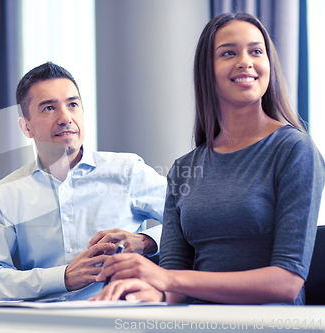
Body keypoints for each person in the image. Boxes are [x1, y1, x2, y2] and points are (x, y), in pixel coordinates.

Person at [91, 12, 325, 305]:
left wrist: (165, 279)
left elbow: (287, 281)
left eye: (256, 51)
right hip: (195, 322)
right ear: (207, 70)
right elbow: (174, 280)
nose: (245, 61)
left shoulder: (294, 150)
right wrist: (141, 292)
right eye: (229, 53)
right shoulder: (183, 169)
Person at [0, 62, 167, 301]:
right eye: (49, 108)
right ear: (26, 126)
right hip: (45, 324)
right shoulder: (8, 192)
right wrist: (63, 277)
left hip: (118, 320)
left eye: (72, 105)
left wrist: (146, 242)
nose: (65, 118)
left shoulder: (127, 171)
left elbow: (194, 225)